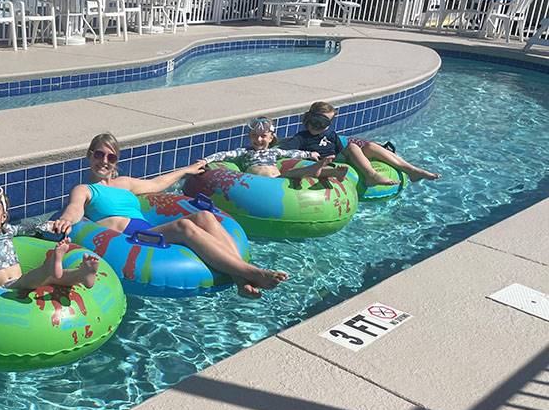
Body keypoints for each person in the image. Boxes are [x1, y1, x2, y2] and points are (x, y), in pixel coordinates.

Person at [49, 133, 288, 299]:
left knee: (205, 216)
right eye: (99, 155)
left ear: (116, 161)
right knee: (185, 226)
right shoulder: (85, 189)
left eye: (111, 157)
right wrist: (66, 221)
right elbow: (75, 208)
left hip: (146, 229)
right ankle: (252, 273)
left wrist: (186, 170)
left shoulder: (125, 183)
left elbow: (158, 184)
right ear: (89, 156)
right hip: (131, 238)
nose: (104, 161)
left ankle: (240, 278)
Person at [282, 102, 440, 186]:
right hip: (325, 164)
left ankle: (412, 170)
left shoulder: (330, 134)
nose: (321, 126)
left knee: (369, 147)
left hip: (339, 158)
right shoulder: (301, 138)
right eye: (318, 121)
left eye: (327, 122)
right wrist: (308, 154)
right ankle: (371, 176)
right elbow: (283, 153)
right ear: (309, 119)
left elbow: (342, 151)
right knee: (352, 147)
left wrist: (360, 153)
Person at [203, 117, 348, 181]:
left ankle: (332, 172)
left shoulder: (274, 152)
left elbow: (292, 153)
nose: (258, 139)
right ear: (249, 136)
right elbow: (223, 155)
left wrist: (310, 154)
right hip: (258, 182)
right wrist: (204, 160)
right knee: (295, 173)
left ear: (271, 138)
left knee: (294, 173)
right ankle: (319, 169)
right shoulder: (245, 152)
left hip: (278, 180)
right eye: (254, 136)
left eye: (263, 136)